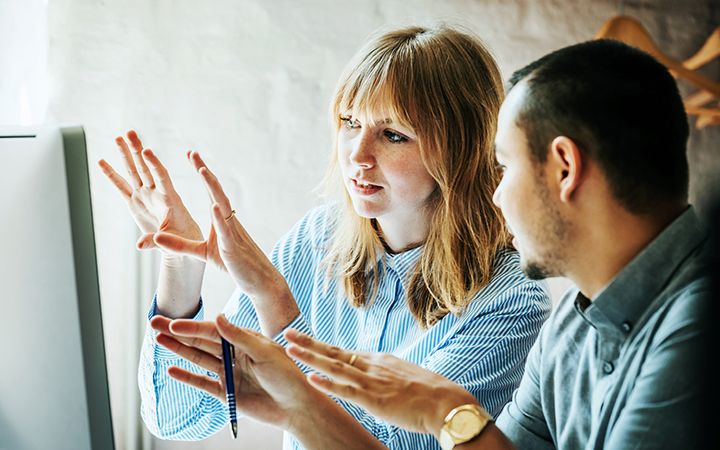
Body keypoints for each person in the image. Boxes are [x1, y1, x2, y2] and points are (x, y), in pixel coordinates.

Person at [154, 38, 711, 449]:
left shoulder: (696, 326)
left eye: (505, 165)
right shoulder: (575, 326)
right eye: (350, 123)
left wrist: (447, 413)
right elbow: (174, 415)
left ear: (564, 167)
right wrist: (299, 411)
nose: (498, 196)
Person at [98, 25, 551, 449]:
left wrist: (273, 298)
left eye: (393, 134)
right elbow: (178, 417)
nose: (357, 154)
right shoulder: (317, 239)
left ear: (461, 149)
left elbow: (385, 443)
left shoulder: (511, 298)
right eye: (350, 123)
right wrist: (181, 267)